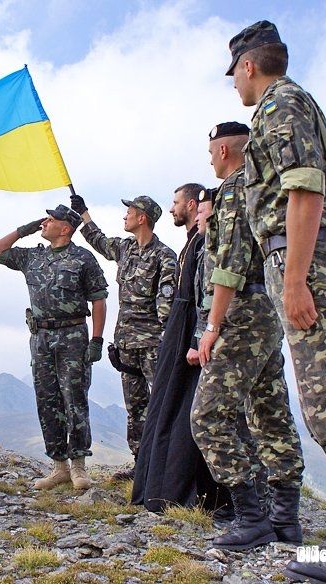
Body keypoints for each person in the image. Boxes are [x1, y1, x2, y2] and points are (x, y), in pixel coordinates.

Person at [227, 21, 326, 583]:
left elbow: (305, 187)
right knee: (325, 402)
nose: (235, 89)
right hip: (301, 262)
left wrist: (294, 281)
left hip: (307, 264)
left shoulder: (278, 104)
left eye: (235, 76)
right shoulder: (285, 106)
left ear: (249, 65)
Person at [190, 122, 305, 551]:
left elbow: (232, 263)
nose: (209, 159)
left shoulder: (236, 187)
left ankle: (252, 517)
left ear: (223, 150)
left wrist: (213, 325)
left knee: (207, 416)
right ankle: (285, 520)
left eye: (210, 151)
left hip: (241, 311)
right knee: (270, 411)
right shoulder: (262, 184)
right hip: (268, 309)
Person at [0, 205, 108, 490]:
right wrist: (24, 229)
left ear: (65, 228)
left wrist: (97, 340)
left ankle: (78, 466)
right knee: (47, 401)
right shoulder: (33, 256)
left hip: (73, 336)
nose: (45, 222)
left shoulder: (83, 258)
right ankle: (59, 467)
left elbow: (99, 300)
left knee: (74, 400)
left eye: (52, 220)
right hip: (40, 338)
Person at [131, 184, 231, 515]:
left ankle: (184, 491)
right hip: (181, 326)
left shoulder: (205, 245)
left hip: (191, 328)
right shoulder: (192, 243)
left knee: (188, 409)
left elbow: (207, 292)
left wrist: (198, 335)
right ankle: (158, 486)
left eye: (176, 202)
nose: (173, 208)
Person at [70, 194, 177, 480]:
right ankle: (141, 464)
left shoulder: (164, 256)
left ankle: (168, 467)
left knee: (163, 404)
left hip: (154, 344)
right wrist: (83, 212)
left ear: (142, 217)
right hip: (127, 343)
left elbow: (167, 303)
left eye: (129, 211)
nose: (125, 216)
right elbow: (99, 240)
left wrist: (168, 342)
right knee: (136, 406)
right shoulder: (126, 248)